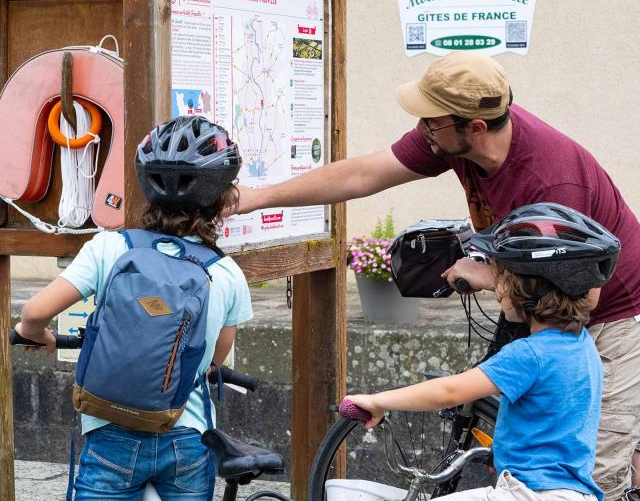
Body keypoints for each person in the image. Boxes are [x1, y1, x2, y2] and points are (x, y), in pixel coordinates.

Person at [230, 52, 640, 500]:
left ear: (475, 128)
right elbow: (365, 173)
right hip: (544, 307)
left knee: (597, 469)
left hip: (614, 315)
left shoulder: (552, 182)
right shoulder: (452, 134)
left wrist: (487, 276)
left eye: (432, 121)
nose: (423, 128)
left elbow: (585, 291)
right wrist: (258, 198)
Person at [15, 116, 252, 501]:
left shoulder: (109, 247)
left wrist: (34, 333)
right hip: (185, 435)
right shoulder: (225, 272)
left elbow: (35, 312)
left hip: (109, 430)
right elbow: (215, 358)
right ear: (224, 197)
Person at [345, 203, 621, 501]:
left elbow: (449, 391)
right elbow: (551, 422)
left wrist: (376, 401)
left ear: (527, 290)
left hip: (531, 494)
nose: (497, 290)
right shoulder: (580, 345)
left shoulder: (530, 354)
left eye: (502, 280)